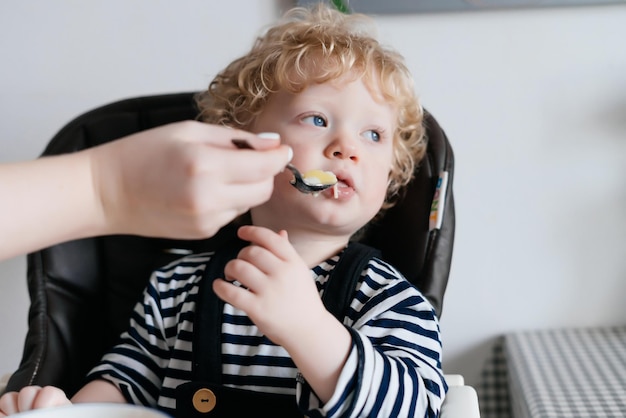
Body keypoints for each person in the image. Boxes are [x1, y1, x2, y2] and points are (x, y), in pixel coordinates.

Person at [0, 4, 447, 417]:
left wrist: (309, 328)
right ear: (241, 145)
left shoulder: (389, 300)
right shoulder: (175, 287)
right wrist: (66, 410)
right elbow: (125, 383)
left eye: (373, 135)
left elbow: (418, 409)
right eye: (317, 119)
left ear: (391, 177)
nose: (347, 148)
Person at [0, 121, 291, 261]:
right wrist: (109, 187)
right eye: (317, 120)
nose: (339, 146)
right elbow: (123, 373)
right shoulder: (176, 283)